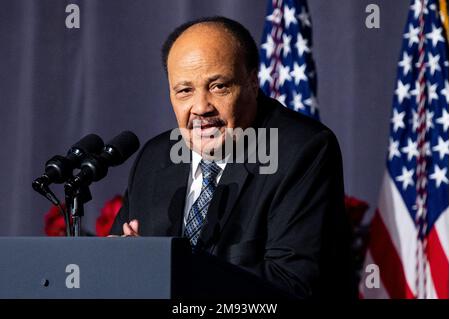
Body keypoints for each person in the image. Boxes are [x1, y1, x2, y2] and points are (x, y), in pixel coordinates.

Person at [110, 16, 356, 299]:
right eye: (185, 91)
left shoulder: (302, 151)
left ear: (252, 83)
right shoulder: (154, 159)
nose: (201, 107)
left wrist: (166, 269)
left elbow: (292, 286)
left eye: (218, 86)